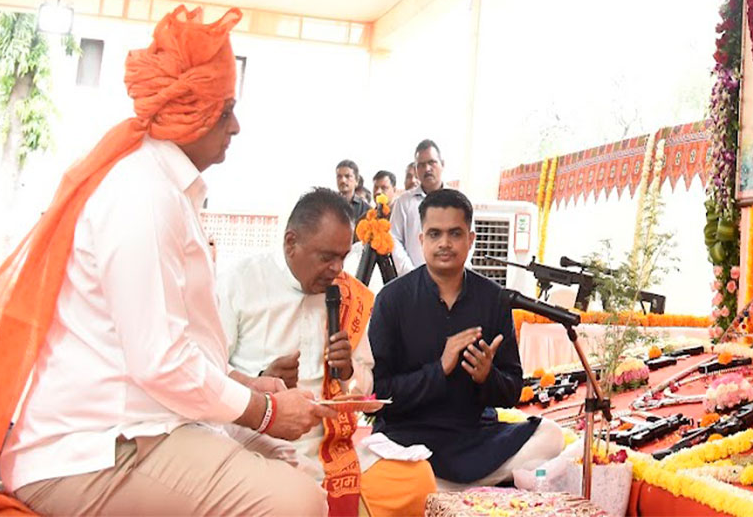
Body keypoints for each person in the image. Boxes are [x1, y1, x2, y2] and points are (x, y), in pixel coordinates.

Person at [0, 5, 331, 515]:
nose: (235, 125)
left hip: (140, 427)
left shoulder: (163, 187)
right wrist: (264, 409)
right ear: (192, 110)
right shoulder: (143, 194)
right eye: (225, 107)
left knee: (284, 461)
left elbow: (163, 351)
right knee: (296, 503)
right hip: (96, 448)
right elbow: (159, 360)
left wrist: (246, 387)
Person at [367, 189, 563, 488]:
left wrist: (486, 376)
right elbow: (377, 395)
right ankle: (467, 485)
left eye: (454, 234)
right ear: (421, 241)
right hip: (406, 437)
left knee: (550, 435)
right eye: (434, 234)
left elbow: (511, 390)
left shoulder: (493, 298)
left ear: (470, 239)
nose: (444, 243)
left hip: (471, 435)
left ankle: (441, 487)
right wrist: (438, 370)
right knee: (377, 461)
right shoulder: (392, 299)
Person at [217, 188, 376, 491]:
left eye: (343, 257)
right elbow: (206, 372)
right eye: (327, 257)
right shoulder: (239, 282)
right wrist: (258, 383)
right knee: (297, 495)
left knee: (413, 478)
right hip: (254, 439)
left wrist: (348, 372)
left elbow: (364, 390)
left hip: (332, 443)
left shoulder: (346, 295)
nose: (337, 270)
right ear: (291, 243)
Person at [389, 140, 446, 271]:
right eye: (421, 165)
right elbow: (394, 240)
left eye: (432, 162)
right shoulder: (403, 202)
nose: (427, 169)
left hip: (451, 281)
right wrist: (410, 273)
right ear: (416, 169)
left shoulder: (458, 200)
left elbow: (467, 240)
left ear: (442, 164)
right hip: (412, 281)